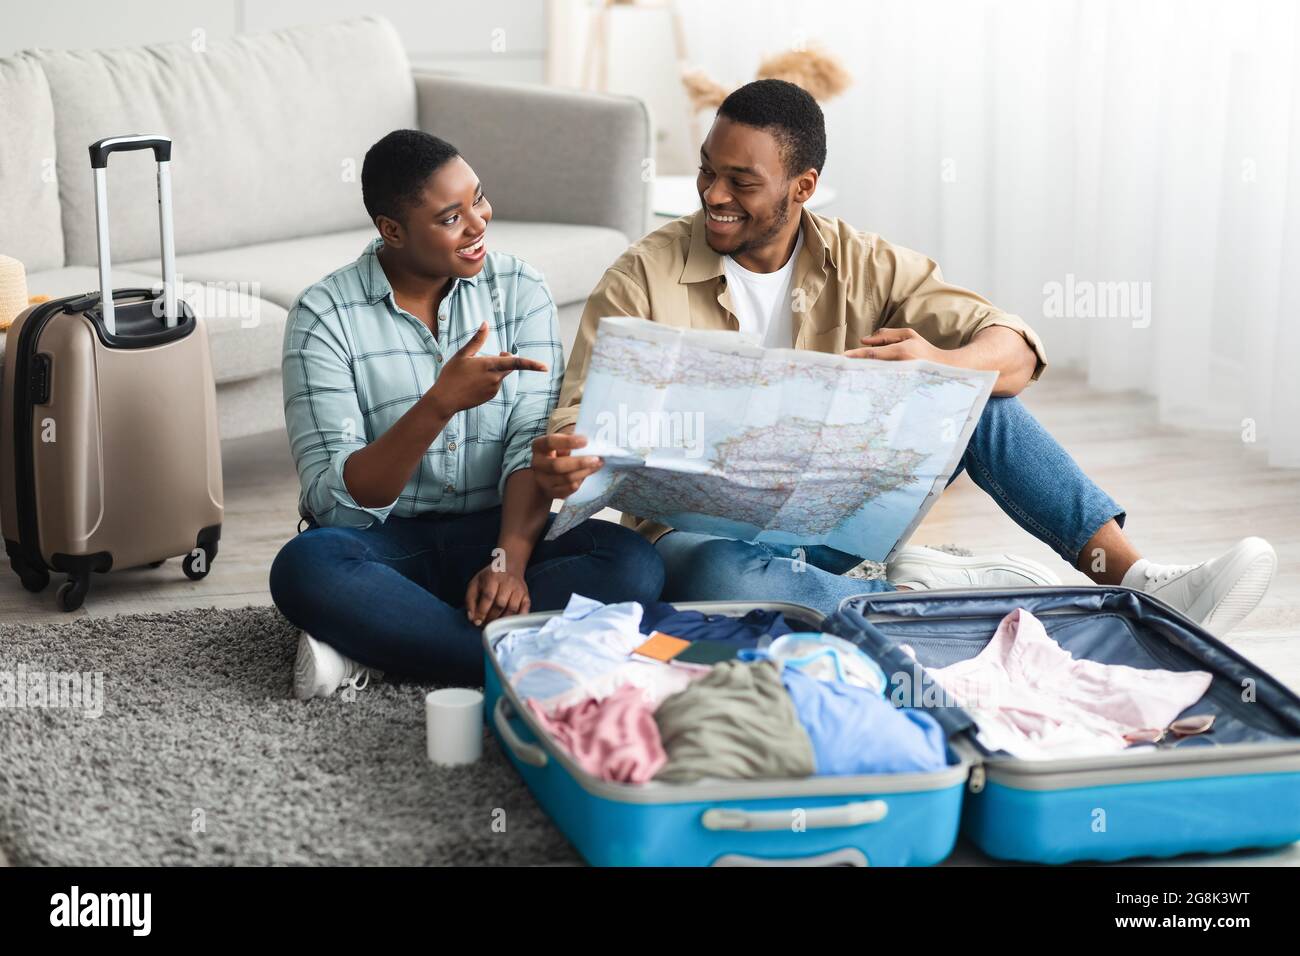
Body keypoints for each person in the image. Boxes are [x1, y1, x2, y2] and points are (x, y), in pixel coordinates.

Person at [530, 79, 1276, 633]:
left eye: (740, 182)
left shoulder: (863, 261)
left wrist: (944, 364)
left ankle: (1136, 578)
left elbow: (1011, 344)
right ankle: (976, 616)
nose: (712, 194)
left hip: (842, 515)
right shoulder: (643, 274)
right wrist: (574, 455)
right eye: (707, 170)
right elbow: (579, 416)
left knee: (985, 397)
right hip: (706, 540)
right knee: (723, 575)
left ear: (804, 187)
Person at [269, 130, 664, 699]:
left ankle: (386, 647)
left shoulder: (519, 288)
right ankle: (513, 659)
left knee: (630, 563)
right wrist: (437, 405)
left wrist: (508, 563)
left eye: (478, 199)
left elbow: (530, 437)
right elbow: (337, 506)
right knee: (306, 566)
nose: (479, 223)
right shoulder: (324, 316)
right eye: (451, 216)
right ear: (393, 230)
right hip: (387, 542)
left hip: (500, 530)